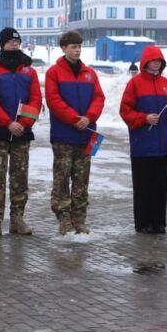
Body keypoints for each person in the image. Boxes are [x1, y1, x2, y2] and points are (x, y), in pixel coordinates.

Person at [44, 30, 105, 235]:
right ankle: (64, 218)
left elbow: (99, 98)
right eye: (73, 47)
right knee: (62, 178)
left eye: (79, 46)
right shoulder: (54, 72)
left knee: (81, 179)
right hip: (63, 136)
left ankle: (79, 219)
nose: (77, 50)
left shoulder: (90, 74)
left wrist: (89, 117)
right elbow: (54, 100)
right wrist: (74, 118)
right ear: (64, 48)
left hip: (87, 135)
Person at [0, 27, 42, 236]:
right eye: (10, 41)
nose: (14, 43)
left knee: (20, 178)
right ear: (2, 44)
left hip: (21, 133)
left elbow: (36, 99)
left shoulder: (29, 71)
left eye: (17, 40)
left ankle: (17, 218)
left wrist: (24, 123)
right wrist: (8, 123)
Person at [119, 45, 167, 234]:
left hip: (162, 147)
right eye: (153, 60)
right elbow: (125, 111)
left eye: (159, 60)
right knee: (143, 186)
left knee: (161, 186)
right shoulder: (134, 84)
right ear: (145, 62)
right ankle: (143, 223)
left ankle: (159, 222)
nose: (156, 63)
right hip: (142, 147)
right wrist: (144, 118)